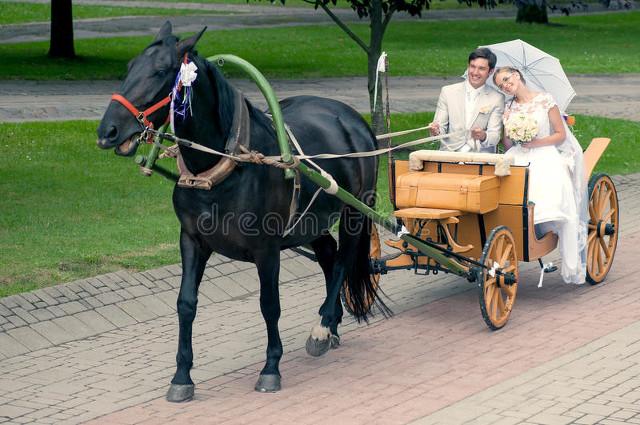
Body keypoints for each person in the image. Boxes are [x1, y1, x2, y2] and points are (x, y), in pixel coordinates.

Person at [493, 66, 588, 284]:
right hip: (519, 153)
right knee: (508, 183)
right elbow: (508, 144)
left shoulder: (545, 100)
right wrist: (510, 130)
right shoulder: (509, 106)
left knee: (541, 183)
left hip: (545, 153)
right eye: (501, 85)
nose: (506, 86)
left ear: (517, 75)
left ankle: (545, 230)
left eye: (507, 79)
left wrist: (534, 142)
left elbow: (560, 135)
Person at [430, 48, 504, 153]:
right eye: (472, 66)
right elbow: (439, 128)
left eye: (481, 68)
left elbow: (494, 136)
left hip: (480, 157)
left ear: (490, 71)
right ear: (468, 66)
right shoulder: (448, 91)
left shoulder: (497, 98)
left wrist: (483, 136)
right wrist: (435, 131)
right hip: (450, 154)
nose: (475, 72)